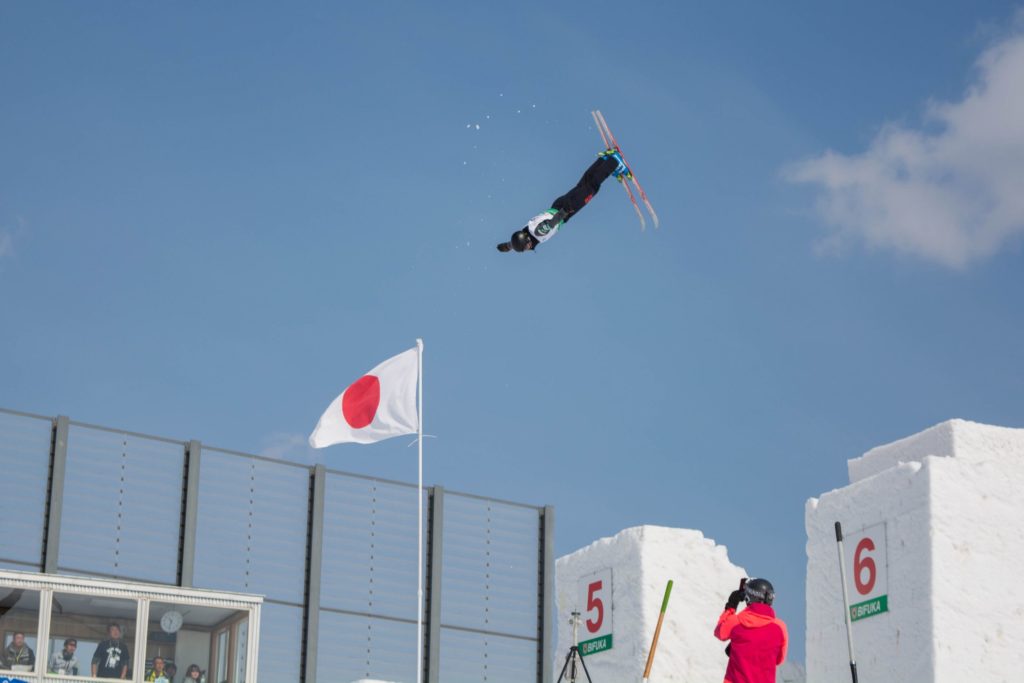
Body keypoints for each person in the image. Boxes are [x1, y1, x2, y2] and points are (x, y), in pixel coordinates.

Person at [497, 150, 631, 252]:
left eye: (526, 247)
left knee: (591, 188)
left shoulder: (537, 232)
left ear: (526, 239)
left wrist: (564, 213)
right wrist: (508, 247)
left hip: (566, 209)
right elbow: (516, 242)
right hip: (558, 205)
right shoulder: (526, 231)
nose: (528, 248)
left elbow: (549, 225)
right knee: (584, 184)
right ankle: (604, 160)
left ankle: (614, 162)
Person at [714, 578, 788, 683]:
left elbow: (719, 631)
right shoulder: (780, 628)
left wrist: (731, 606)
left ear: (749, 598)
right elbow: (779, 659)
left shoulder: (736, 622)